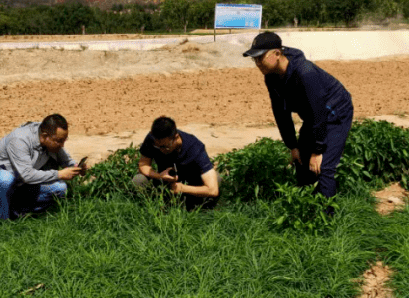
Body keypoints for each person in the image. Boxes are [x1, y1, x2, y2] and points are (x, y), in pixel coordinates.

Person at [244, 31, 354, 198]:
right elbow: (280, 112)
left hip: (335, 110)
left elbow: (319, 112)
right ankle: (304, 204)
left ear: (277, 53)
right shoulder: (271, 77)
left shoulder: (305, 72)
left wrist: (317, 151)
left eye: (261, 57)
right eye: (255, 59)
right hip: (314, 114)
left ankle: (327, 213)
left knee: (323, 167)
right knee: (301, 160)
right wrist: (293, 146)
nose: (258, 63)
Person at [0, 114, 83, 220]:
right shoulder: (19, 140)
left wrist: (76, 167)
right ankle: (2, 221)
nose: (62, 145)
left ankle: (16, 213)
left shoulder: (50, 137)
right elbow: (27, 175)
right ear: (45, 136)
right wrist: (59, 174)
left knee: (60, 188)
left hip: (19, 184)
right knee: (4, 178)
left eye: (64, 140)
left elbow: (65, 160)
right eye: (59, 141)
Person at [133, 116, 220, 209]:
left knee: (217, 178)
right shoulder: (153, 139)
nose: (161, 150)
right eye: (157, 147)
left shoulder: (195, 148)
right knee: (139, 180)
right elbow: (143, 165)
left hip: (191, 187)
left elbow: (213, 190)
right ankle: (148, 208)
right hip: (164, 184)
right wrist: (159, 176)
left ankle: (198, 208)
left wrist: (182, 188)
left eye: (165, 147)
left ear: (176, 137)